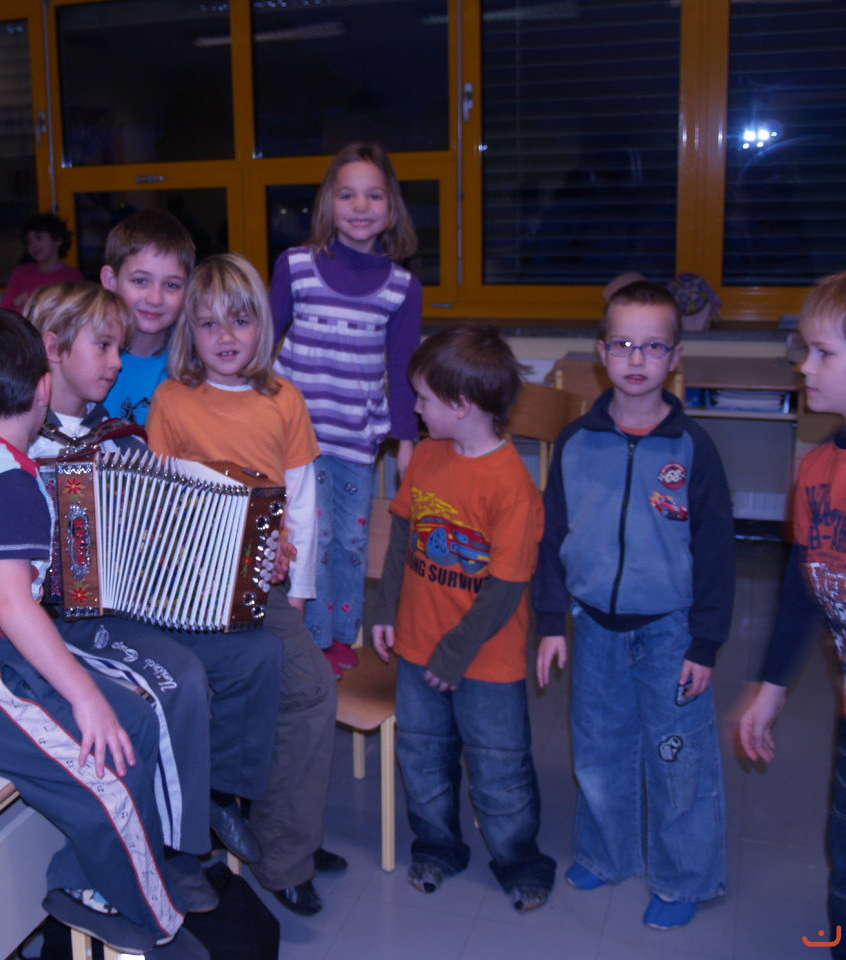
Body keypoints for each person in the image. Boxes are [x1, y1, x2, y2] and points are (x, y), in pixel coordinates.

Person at [0, 282, 282, 901]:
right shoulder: (11, 438)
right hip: (56, 621)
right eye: (104, 347)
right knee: (178, 678)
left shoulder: (120, 437)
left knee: (255, 653)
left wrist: (243, 549)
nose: (116, 363)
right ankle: (176, 849)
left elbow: (166, 527)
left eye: (119, 350)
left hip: (129, 605)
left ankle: (215, 795)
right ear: (50, 355)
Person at [536, 280, 734, 930]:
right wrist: (551, 622)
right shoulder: (575, 442)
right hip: (594, 626)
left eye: (653, 346)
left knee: (677, 755)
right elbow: (552, 537)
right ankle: (606, 852)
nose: (637, 358)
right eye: (623, 344)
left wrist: (705, 643)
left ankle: (684, 877)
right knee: (599, 748)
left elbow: (716, 553)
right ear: (602, 352)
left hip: (671, 631)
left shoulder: (693, 448)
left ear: (675, 356)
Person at [147, 252, 340, 916]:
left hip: (265, 591)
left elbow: (304, 504)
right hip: (188, 592)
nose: (225, 337)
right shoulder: (172, 400)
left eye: (239, 320)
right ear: (189, 333)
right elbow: (158, 505)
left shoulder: (284, 399)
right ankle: (240, 821)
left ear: (262, 323)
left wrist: (299, 594)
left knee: (310, 691)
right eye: (208, 324)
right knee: (226, 690)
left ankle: (285, 850)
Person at [372, 326, 556, 914]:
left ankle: (520, 861)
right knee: (422, 758)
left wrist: (453, 655)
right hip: (417, 647)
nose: (415, 409)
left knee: (500, 768)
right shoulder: (428, 456)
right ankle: (438, 847)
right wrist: (385, 608)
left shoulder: (512, 486)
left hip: (486, 661)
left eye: (423, 398)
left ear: (460, 405)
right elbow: (403, 538)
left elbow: (507, 587)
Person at [270, 141, 423, 679]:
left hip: (357, 439)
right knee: (310, 538)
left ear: (391, 206)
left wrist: (408, 442)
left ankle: (340, 635)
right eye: (348, 194)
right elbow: (262, 346)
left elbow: (403, 369)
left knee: (352, 541)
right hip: (296, 438)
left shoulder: (403, 288)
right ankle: (310, 638)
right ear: (328, 203)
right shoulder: (296, 266)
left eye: (374, 195)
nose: (361, 206)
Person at [739, 272, 846, 959]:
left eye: (824, 353)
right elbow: (806, 589)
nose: (804, 366)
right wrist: (771, 688)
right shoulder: (816, 471)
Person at [100, 209, 194, 426]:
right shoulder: (83, 358)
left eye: (171, 285)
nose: (155, 299)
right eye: (140, 281)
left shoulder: (196, 362)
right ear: (111, 281)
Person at [2, 213, 84, 313]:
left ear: (57, 240)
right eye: (29, 241)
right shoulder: (20, 273)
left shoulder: (72, 275)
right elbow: (4, 311)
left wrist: (31, 299)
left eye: (38, 238)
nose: (33, 245)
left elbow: (73, 312)